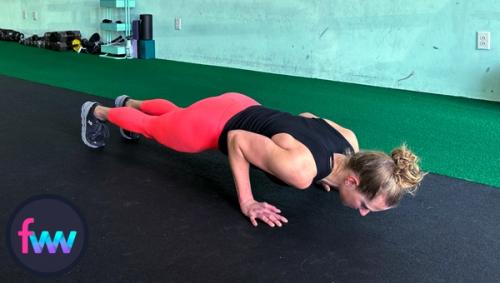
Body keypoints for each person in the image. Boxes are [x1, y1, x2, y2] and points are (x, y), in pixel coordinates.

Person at [81, 92, 425, 228]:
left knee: (177, 116)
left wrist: (321, 174)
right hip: (217, 126)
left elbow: (306, 117)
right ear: (352, 180)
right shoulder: (302, 172)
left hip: (243, 103)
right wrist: (248, 202)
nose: (362, 212)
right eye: (366, 205)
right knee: (156, 129)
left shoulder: (349, 142)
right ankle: (97, 112)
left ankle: (131, 102)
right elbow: (237, 141)